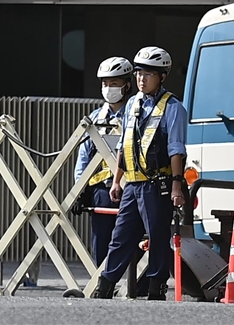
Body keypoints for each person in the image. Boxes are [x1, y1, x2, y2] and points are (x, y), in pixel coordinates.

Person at [93, 46, 187, 300]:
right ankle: (105, 286)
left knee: (157, 237)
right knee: (120, 237)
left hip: (158, 184)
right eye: (139, 74)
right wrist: (116, 180)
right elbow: (125, 143)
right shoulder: (133, 104)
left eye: (149, 74)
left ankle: (156, 287)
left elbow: (176, 149)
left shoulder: (173, 107)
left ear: (162, 77)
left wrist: (177, 186)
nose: (141, 79)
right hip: (132, 185)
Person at [74, 56, 133, 266]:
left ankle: (137, 287)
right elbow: (83, 156)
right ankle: (102, 283)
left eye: (114, 84)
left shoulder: (136, 114)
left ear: (127, 85)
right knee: (101, 241)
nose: (109, 88)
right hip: (101, 190)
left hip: (131, 188)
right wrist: (79, 190)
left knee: (134, 240)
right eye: (105, 84)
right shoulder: (95, 118)